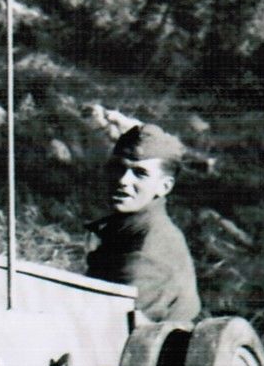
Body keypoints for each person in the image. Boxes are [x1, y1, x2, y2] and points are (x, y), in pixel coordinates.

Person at [86, 124, 201, 323]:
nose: (123, 180)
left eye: (140, 173)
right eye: (118, 167)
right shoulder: (126, 229)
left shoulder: (150, 245)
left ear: (164, 186)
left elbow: (114, 326)